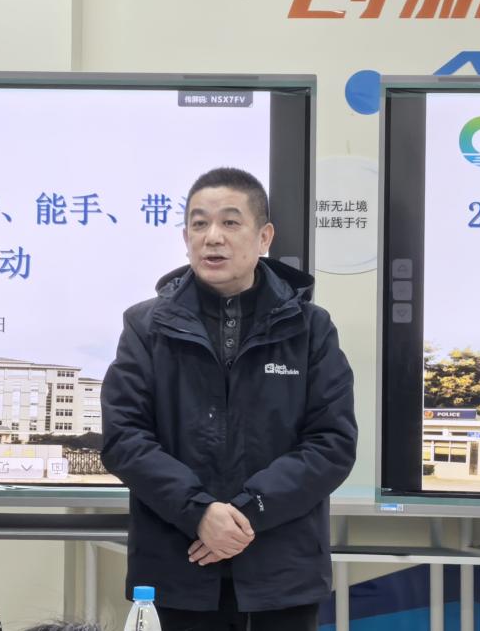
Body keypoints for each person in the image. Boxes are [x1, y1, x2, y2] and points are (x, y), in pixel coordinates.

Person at [101, 167, 357, 630]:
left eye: (230, 222)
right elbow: (124, 438)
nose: (212, 237)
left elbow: (331, 443)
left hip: (281, 576)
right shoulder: (145, 326)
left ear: (264, 237)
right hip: (177, 569)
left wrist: (246, 512)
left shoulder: (311, 328)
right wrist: (198, 512)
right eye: (199, 224)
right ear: (185, 238)